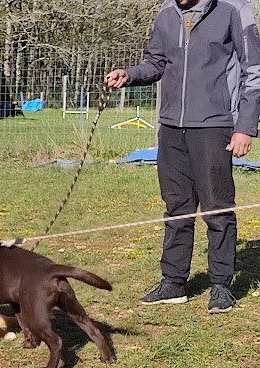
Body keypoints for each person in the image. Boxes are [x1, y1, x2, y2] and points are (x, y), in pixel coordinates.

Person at [105, 0, 260, 314]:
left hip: (215, 126)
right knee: (176, 207)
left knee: (218, 207)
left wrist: (245, 126)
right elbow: (155, 62)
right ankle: (173, 283)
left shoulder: (234, 9)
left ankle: (220, 286)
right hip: (172, 127)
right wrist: (130, 74)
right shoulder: (165, 13)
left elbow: (254, 72)